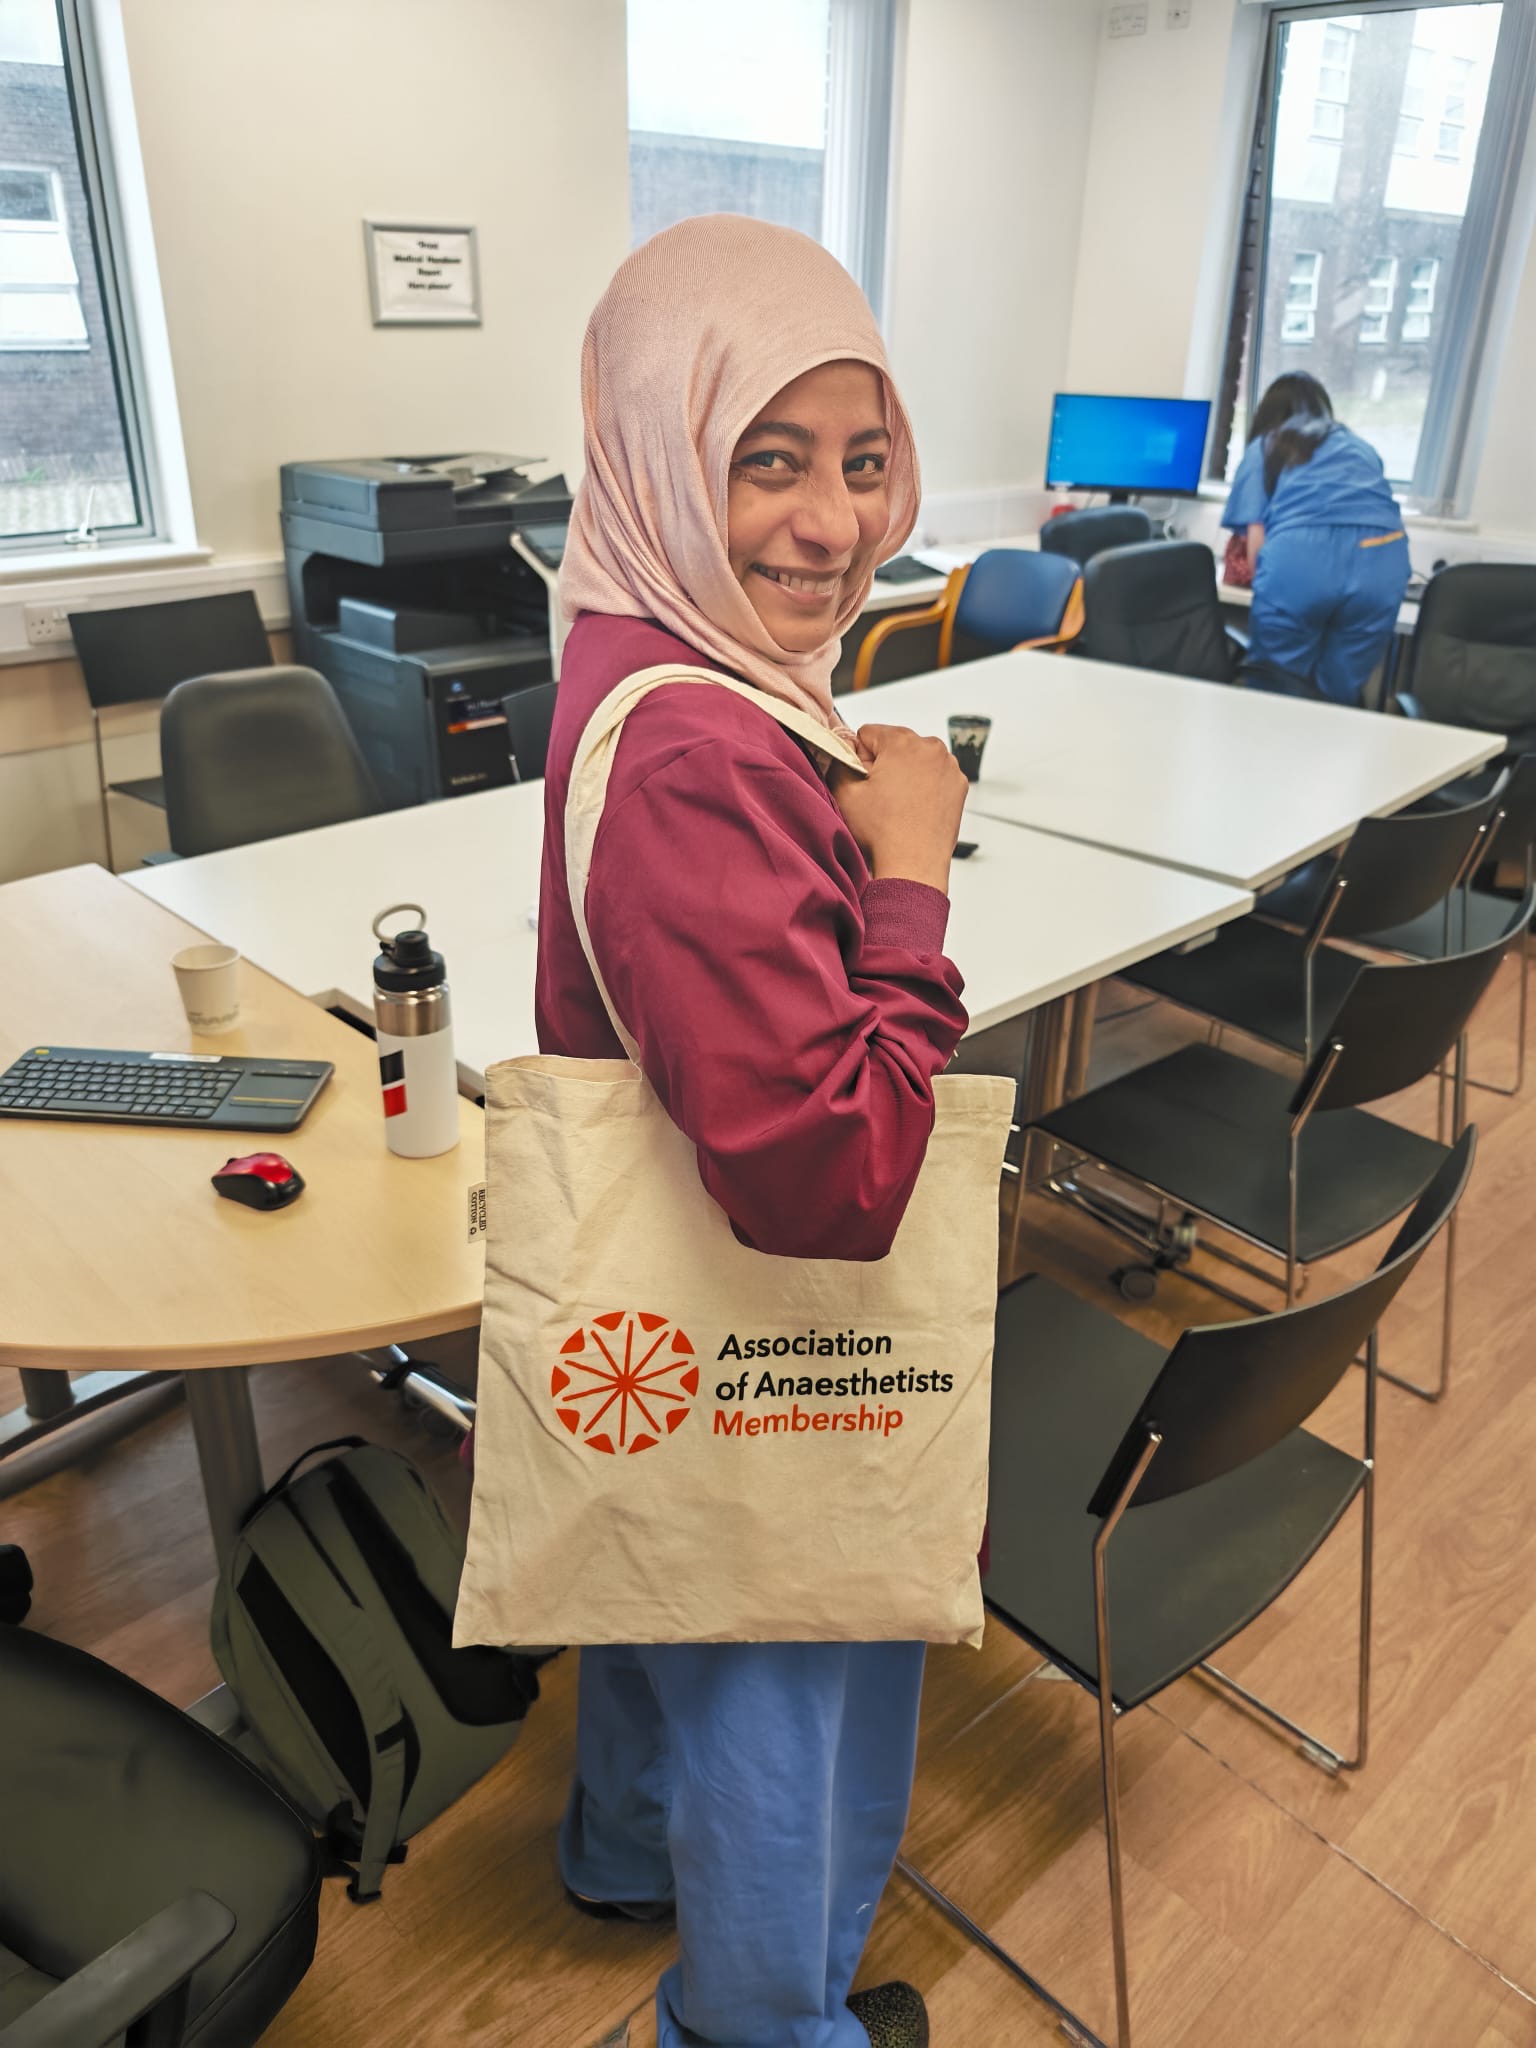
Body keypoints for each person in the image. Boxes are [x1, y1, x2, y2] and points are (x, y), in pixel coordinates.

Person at [539, 214, 972, 2048]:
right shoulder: (705, 748)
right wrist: (912, 875)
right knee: (793, 1642)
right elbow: (833, 1178)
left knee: (673, 1570)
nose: (834, 521)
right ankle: (758, 2024)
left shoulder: (644, 640)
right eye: (768, 461)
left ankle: (624, 1846)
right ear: (664, 449)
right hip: (766, 1295)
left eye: (865, 462)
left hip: (662, 1258)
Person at [1222, 371, 1411, 706]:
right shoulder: (1359, 447)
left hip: (1301, 555)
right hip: (1383, 557)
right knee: (1339, 691)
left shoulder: (1266, 445)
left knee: (1276, 684)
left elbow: (1256, 542)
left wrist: (1266, 582)